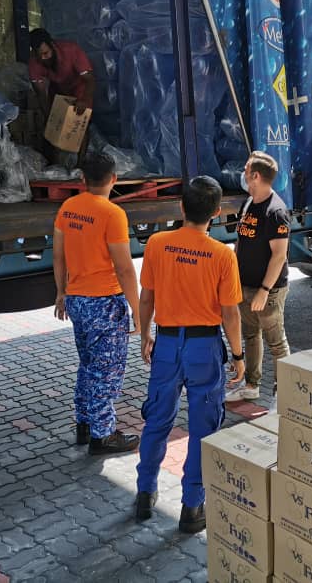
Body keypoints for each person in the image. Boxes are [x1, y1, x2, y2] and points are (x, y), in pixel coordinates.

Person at [134, 176, 244, 533]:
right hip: (203, 349)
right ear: (216, 212)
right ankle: (192, 507)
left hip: (166, 345)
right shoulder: (222, 255)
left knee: (157, 421)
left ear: (181, 207)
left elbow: (146, 298)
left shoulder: (157, 244)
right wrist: (238, 355)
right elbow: (230, 314)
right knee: (202, 429)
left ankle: (144, 492)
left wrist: (145, 334)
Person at [52, 151, 141, 455]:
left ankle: (85, 423)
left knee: (88, 365)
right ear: (114, 179)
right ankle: (102, 436)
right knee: (106, 371)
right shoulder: (112, 214)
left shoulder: (68, 208)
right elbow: (124, 268)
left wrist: (61, 293)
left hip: (77, 300)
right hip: (105, 304)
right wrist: (138, 310)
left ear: (82, 179)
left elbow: (59, 256)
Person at [225, 151, 291, 402]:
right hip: (245, 285)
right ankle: (251, 385)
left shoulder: (276, 211)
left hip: (268, 290)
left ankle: (284, 393)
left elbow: (279, 256)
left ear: (255, 176)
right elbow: (241, 242)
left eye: (245, 170)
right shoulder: (248, 203)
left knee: (276, 341)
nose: (242, 174)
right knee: (251, 336)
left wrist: (264, 290)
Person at [28, 28, 95, 112]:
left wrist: (85, 100)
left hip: (79, 87)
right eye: (39, 55)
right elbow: (41, 93)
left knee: (80, 111)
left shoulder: (71, 50)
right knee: (55, 114)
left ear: (52, 45)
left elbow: (90, 79)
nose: (42, 58)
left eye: (45, 53)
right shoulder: (33, 61)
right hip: (58, 89)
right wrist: (47, 115)